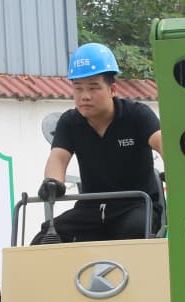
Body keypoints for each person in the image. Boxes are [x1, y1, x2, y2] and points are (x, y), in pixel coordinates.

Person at [38, 42, 164, 242]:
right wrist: (52, 183)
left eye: (93, 87)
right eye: (78, 88)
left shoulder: (137, 115)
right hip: (91, 209)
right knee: (46, 238)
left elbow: (162, 144)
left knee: (135, 231)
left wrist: (178, 173)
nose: (84, 96)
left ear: (112, 89)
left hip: (138, 205)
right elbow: (58, 158)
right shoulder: (70, 122)